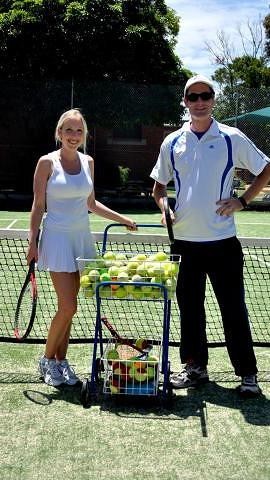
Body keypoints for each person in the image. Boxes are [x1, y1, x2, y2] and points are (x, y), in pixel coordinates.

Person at [150, 74, 270, 396]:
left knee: (233, 309)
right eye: (193, 97)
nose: (199, 102)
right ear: (185, 102)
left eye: (205, 96)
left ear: (213, 99)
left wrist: (242, 201)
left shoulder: (231, 137)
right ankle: (195, 368)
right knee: (190, 311)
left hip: (222, 243)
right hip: (184, 243)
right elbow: (158, 187)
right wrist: (164, 206)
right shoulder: (171, 142)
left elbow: (266, 168)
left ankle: (247, 374)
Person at [27, 108, 137, 387]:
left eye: (79, 131)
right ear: (59, 133)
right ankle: (46, 360)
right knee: (68, 305)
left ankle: (60, 363)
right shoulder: (46, 163)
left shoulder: (88, 162)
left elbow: (91, 204)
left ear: (84, 135)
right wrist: (32, 241)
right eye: (69, 130)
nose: (74, 136)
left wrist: (123, 219)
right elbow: (38, 205)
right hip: (56, 239)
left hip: (82, 241)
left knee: (71, 309)